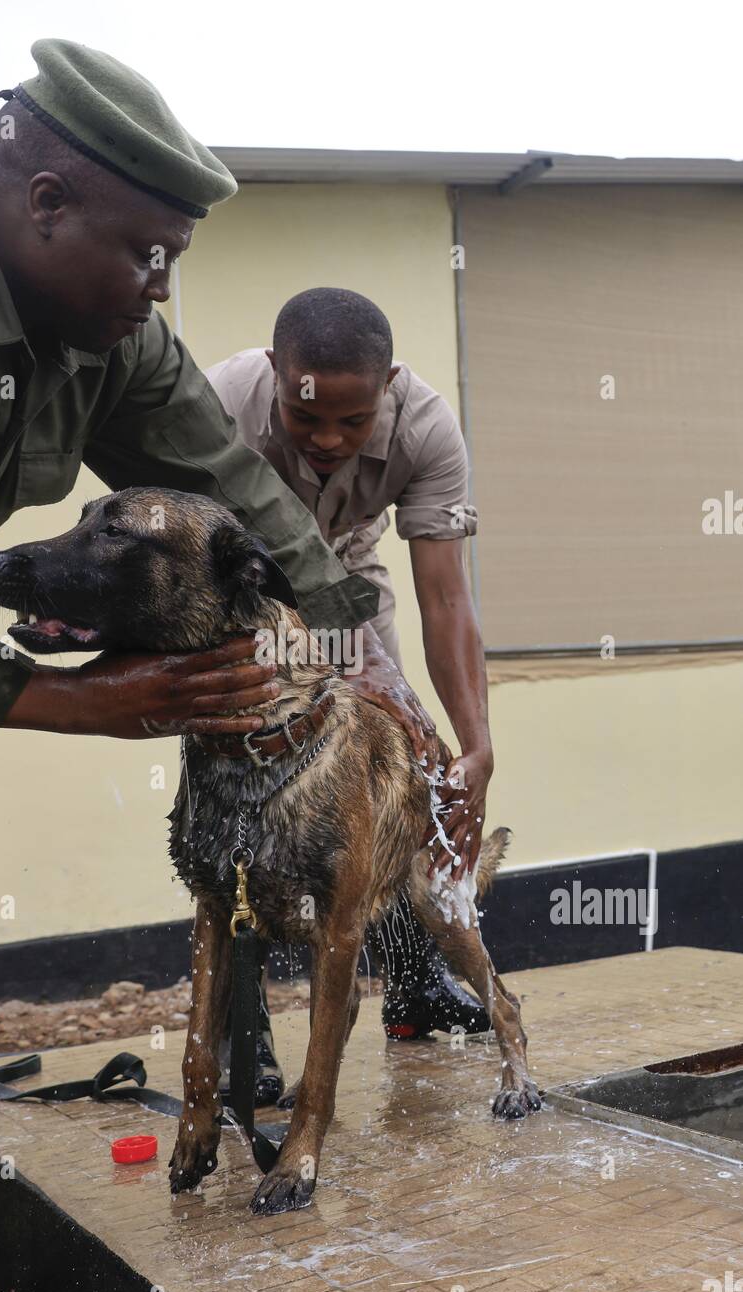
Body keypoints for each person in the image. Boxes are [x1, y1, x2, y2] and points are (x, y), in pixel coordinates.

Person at [0, 41, 456, 1292]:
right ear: (46, 204)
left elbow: (230, 486)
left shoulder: (94, 321)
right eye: (150, 256)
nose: (159, 290)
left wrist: (354, 647)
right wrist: (73, 698)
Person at [206, 290, 495, 1104]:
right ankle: (244, 1038)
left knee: (390, 774)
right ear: (275, 375)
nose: (330, 441)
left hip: (348, 580)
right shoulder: (218, 404)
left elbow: (444, 596)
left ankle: (413, 988)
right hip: (235, 597)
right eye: (308, 421)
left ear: (389, 387)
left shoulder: (427, 426)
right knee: (244, 802)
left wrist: (474, 743)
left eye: (353, 421)